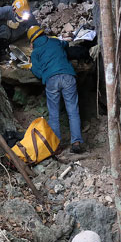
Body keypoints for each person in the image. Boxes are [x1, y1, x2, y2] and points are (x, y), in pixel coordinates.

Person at [26, 25, 84, 153]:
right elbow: (66, 45)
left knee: (53, 114)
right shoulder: (54, 41)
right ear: (43, 33)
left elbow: (39, 73)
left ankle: (56, 146)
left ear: (32, 41)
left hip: (52, 80)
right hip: (68, 76)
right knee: (73, 111)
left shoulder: (35, 52)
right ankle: (76, 143)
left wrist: (32, 67)